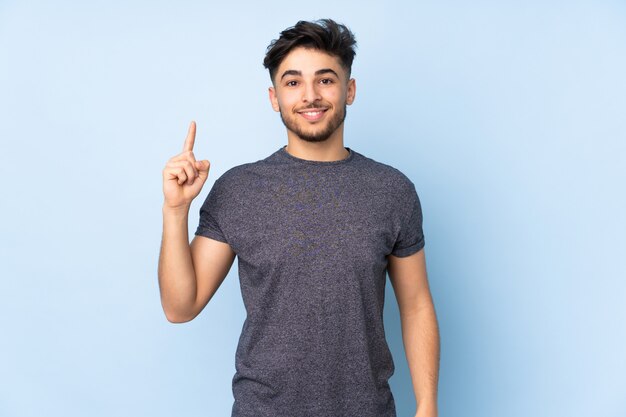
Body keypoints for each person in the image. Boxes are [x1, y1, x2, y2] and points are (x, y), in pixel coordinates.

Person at [158, 18, 440, 417]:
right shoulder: (239, 190)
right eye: (293, 83)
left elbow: (415, 305)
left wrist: (428, 404)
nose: (310, 95)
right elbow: (180, 307)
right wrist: (175, 210)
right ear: (274, 97)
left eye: (325, 80)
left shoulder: (392, 190)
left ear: (350, 90)